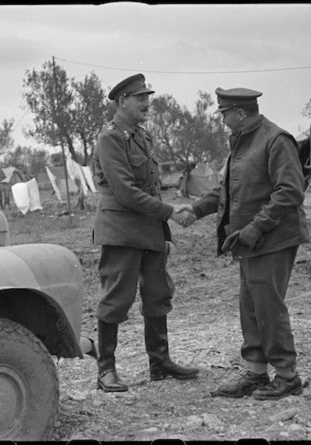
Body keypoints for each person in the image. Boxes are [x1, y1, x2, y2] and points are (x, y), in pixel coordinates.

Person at [176, 87, 309, 400]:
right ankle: (256, 371)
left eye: (224, 113)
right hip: (249, 240)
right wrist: (195, 210)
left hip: (273, 239)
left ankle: (287, 375)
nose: (222, 121)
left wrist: (256, 227)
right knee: (250, 306)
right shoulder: (241, 142)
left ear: (239, 111)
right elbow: (227, 190)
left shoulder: (276, 140)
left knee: (267, 306)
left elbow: (290, 191)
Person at [91, 73, 199, 392]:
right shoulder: (111, 138)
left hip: (149, 229)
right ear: (123, 101)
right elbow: (124, 191)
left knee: (158, 292)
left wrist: (164, 230)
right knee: (116, 298)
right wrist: (170, 214)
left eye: (148, 97)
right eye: (141, 98)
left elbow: (152, 186)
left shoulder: (141, 136)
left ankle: (160, 363)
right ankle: (106, 370)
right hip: (121, 229)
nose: (147, 103)